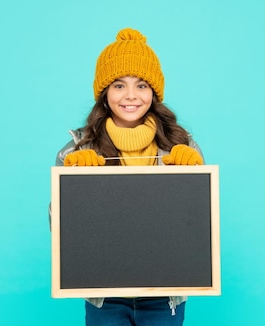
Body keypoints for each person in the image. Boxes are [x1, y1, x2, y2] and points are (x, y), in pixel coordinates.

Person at [54, 27, 203, 326]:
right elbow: (58, 229)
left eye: (142, 85)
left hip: (165, 293)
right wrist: (73, 186)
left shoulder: (181, 145)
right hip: (104, 296)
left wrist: (194, 180)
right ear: (104, 93)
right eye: (119, 85)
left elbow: (198, 226)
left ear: (154, 92)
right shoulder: (78, 150)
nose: (131, 96)